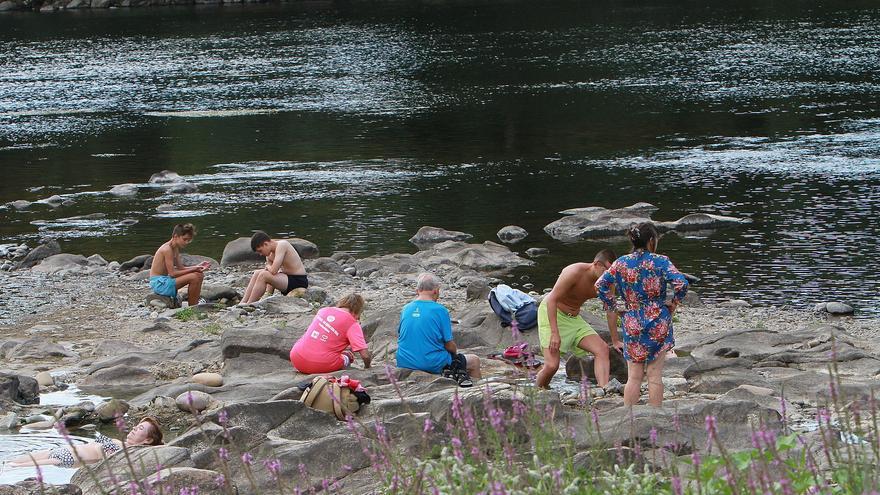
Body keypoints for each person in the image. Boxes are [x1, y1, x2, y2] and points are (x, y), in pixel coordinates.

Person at [596, 222, 689, 407]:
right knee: (654, 375)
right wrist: (673, 303)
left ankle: (628, 418)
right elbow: (682, 284)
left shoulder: (621, 262)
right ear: (652, 240)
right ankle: (654, 418)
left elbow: (600, 285)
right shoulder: (660, 261)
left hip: (632, 319)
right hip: (658, 320)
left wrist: (614, 306)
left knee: (634, 376)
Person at [535, 249, 618, 389]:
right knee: (551, 366)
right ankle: (538, 392)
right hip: (553, 313)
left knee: (602, 349)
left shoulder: (608, 283)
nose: (610, 276)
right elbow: (552, 300)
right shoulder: (574, 271)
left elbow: (611, 310)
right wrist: (555, 333)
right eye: (608, 271)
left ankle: (604, 390)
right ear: (597, 264)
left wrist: (615, 340)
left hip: (574, 319)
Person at [396, 273, 481, 385]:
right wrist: (455, 353)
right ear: (436, 291)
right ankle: (478, 393)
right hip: (430, 363)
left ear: (417, 290)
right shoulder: (440, 310)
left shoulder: (406, 309)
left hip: (404, 361)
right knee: (474, 361)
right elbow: (449, 345)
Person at [7, 417, 163, 469]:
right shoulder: (120, 443)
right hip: (63, 450)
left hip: (68, 459)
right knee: (10, 462)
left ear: (148, 440)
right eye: (136, 426)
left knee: (15, 467)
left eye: (140, 428)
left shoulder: (129, 454)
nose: (134, 429)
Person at [290, 293, 372, 374]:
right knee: (348, 356)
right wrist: (368, 367)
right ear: (357, 311)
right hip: (319, 364)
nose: (358, 318)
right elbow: (365, 356)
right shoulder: (352, 323)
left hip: (296, 357)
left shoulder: (323, 310)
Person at [149, 223, 209, 307]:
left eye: (189, 240)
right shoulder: (167, 249)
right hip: (159, 284)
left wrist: (197, 266)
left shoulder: (175, 248)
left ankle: (194, 304)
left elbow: (181, 268)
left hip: (165, 280)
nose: (187, 242)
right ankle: (193, 307)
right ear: (176, 236)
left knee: (199, 275)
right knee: (194, 277)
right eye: (185, 239)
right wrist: (195, 269)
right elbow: (172, 274)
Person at [240, 231, 308, 304]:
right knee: (257, 273)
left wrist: (268, 266)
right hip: (286, 280)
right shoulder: (269, 256)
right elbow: (271, 276)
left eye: (260, 251)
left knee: (263, 275)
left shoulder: (282, 245)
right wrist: (268, 295)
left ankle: (250, 303)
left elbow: (273, 271)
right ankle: (243, 302)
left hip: (298, 280)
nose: (260, 254)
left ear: (265, 244)